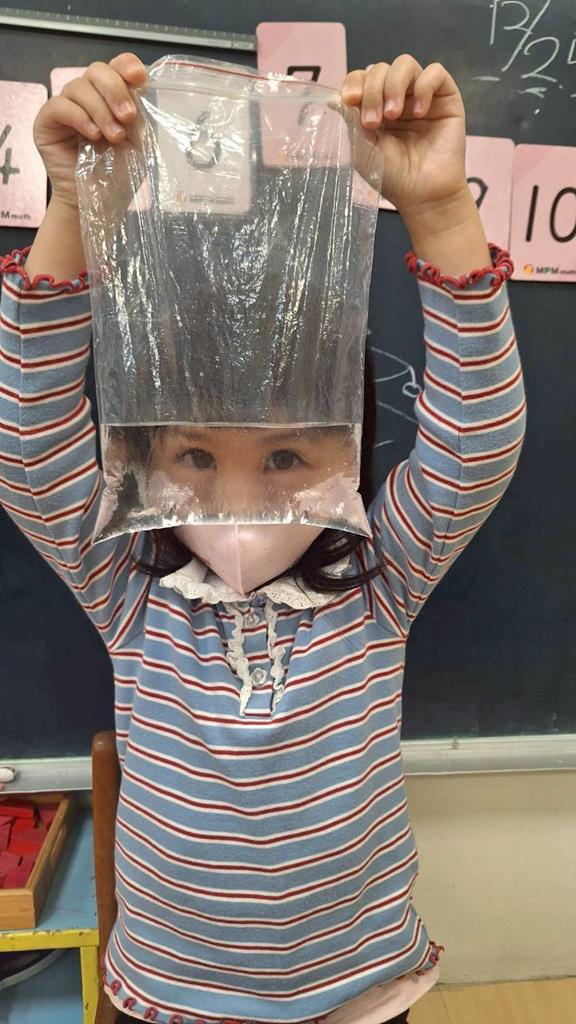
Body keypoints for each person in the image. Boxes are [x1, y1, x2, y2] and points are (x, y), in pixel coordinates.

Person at [0, 51, 525, 1024]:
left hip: (358, 991)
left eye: (285, 457)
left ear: (348, 447)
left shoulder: (380, 575)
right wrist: (72, 205)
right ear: (145, 453)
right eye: (195, 456)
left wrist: (440, 208)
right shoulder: (132, 588)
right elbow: (29, 444)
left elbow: (477, 439)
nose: (239, 502)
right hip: (173, 995)